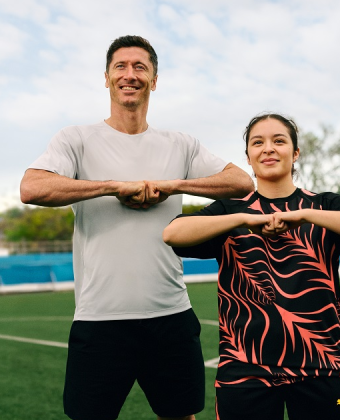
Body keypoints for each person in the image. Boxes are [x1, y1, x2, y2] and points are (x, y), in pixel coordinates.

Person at [20, 35, 254, 420]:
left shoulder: (180, 144)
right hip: (99, 320)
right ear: (107, 78)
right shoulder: (76, 139)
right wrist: (113, 186)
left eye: (140, 67)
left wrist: (172, 185)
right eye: (121, 67)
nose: (130, 74)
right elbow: (32, 187)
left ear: (154, 80)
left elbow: (241, 182)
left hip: (171, 316)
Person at [163, 113, 340, 420]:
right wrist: (243, 219)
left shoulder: (324, 206)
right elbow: (173, 234)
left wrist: (304, 215)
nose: (268, 148)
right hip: (244, 369)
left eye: (279, 141)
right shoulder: (229, 211)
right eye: (258, 143)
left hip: (323, 366)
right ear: (248, 157)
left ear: (295, 153)